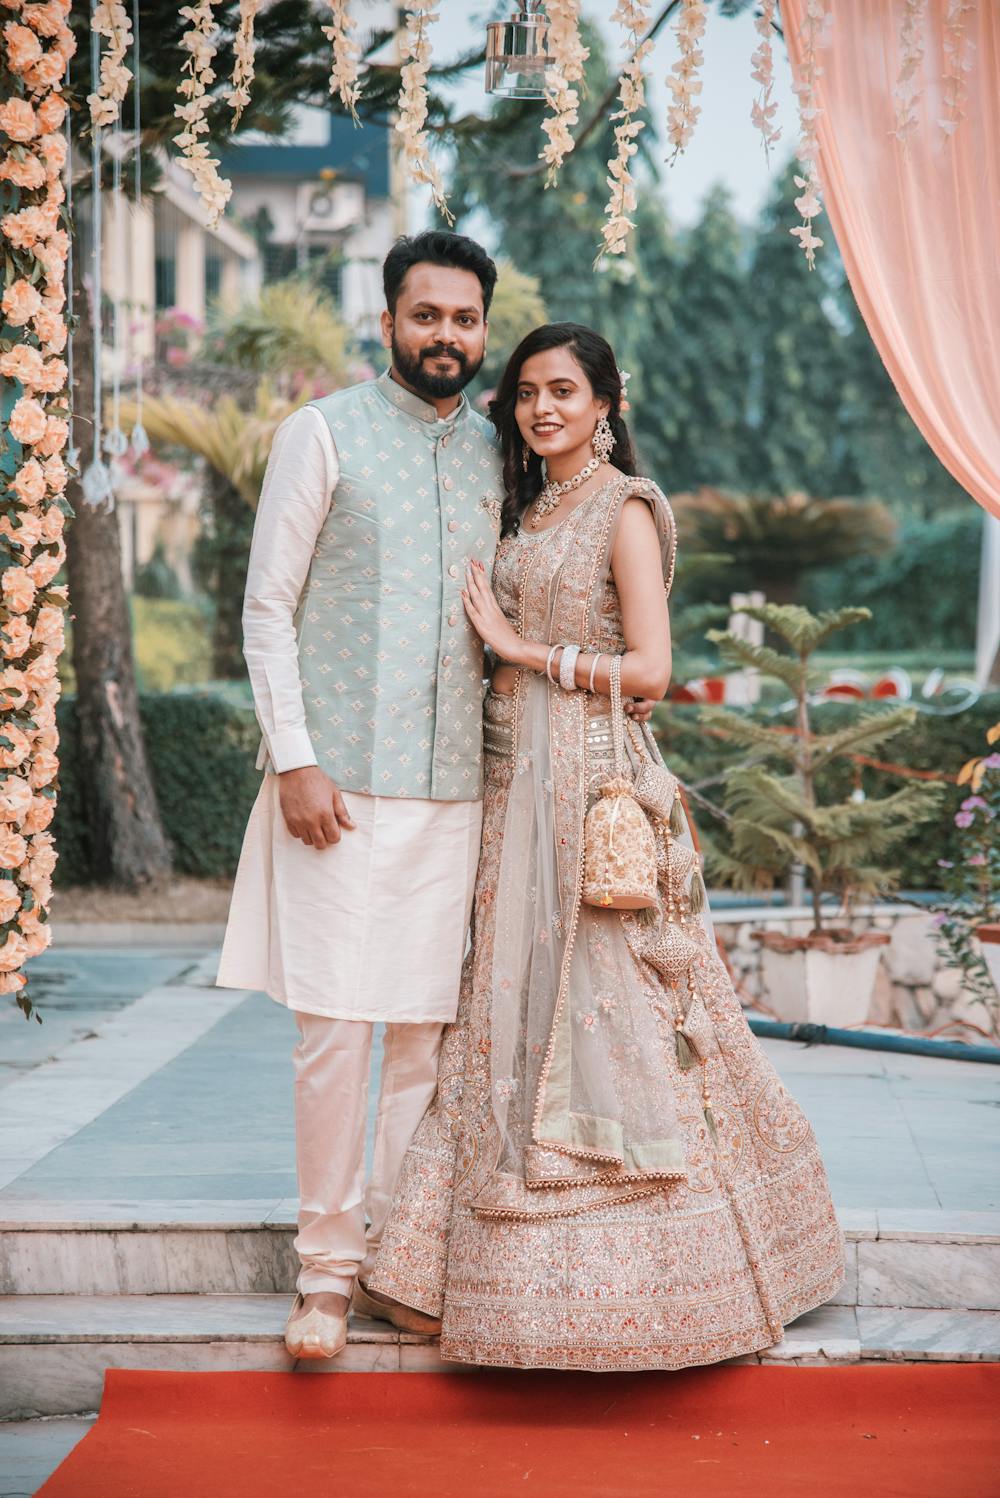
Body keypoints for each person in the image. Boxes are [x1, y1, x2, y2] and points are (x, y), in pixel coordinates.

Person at [365, 322, 846, 1371]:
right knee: (502, 1004)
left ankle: (662, 1284)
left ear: (605, 405)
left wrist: (525, 651)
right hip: (512, 785)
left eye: (564, 391)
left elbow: (655, 668)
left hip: (593, 793)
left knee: (608, 1003)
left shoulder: (626, 507)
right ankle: (446, 1272)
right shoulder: (527, 505)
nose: (543, 409)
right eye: (527, 392)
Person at [215, 231, 506, 1359]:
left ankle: (399, 1262)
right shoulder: (323, 431)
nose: (446, 335)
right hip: (333, 789)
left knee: (424, 1043)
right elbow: (265, 606)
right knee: (334, 1035)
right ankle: (325, 1275)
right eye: (426, 315)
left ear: (483, 329)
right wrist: (294, 757)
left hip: (456, 794)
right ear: (388, 321)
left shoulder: (499, 453)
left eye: (464, 318)